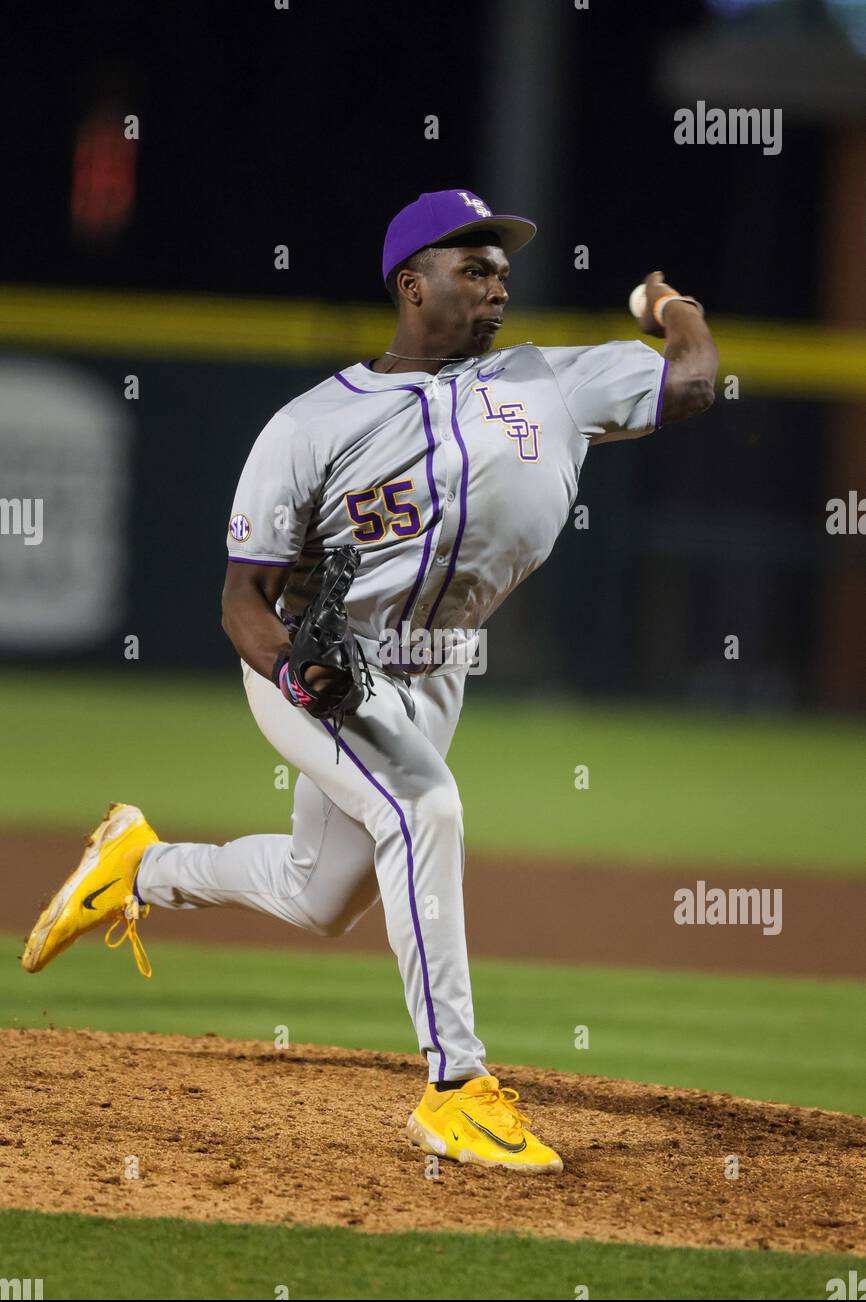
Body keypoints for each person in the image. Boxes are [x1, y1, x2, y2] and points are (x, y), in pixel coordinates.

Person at [22, 189, 718, 1173]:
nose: (494, 288)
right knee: (423, 807)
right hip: (321, 669)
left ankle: (134, 865)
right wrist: (295, 676)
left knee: (319, 895)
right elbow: (240, 601)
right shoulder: (310, 426)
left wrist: (669, 307)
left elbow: (688, 385)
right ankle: (453, 1087)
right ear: (411, 283)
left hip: (434, 674)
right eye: (472, 269)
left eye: (501, 274)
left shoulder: (546, 382)